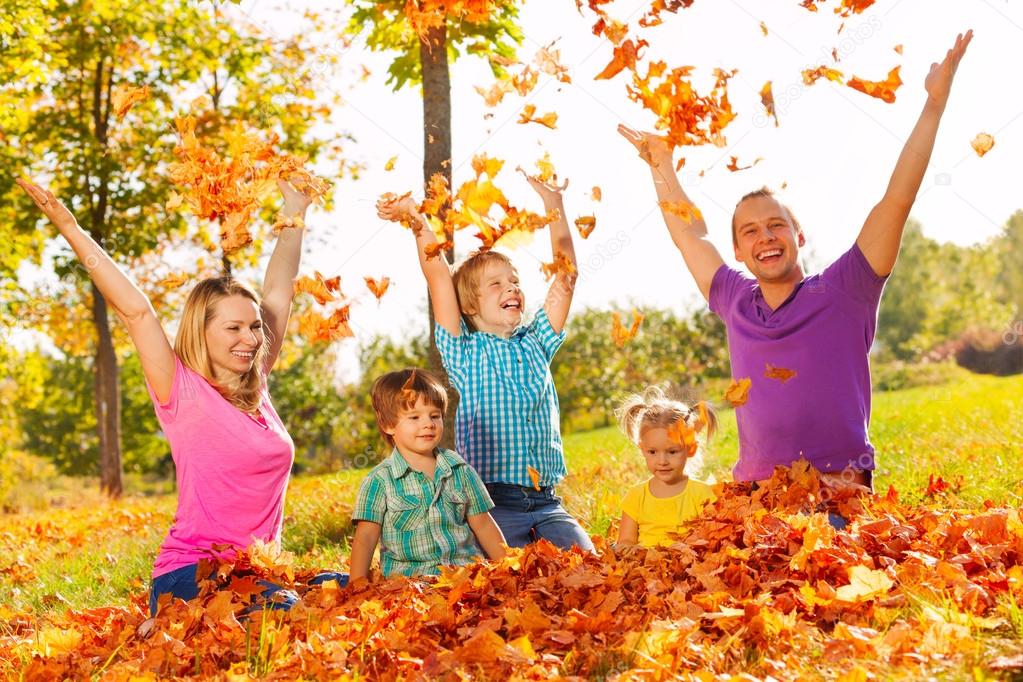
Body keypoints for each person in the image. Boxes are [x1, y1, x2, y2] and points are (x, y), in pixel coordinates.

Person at [618, 31, 973, 493]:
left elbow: (896, 200)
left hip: (836, 490)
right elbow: (691, 236)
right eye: (749, 232)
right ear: (740, 253)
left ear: (798, 235)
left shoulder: (848, 289)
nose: (765, 236)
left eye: (776, 225)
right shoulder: (734, 300)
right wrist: (660, 166)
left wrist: (933, 106)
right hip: (755, 495)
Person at [16, 176, 316, 615]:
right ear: (202, 330)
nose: (249, 338)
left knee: (345, 589)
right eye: (232, 328)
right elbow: (136, 310)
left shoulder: (257, 383)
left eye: (252, 327)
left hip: (257, 575)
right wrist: (70, 228)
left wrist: (296, 209)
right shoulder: (180, 390)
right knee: (294, 613)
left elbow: (277, 292)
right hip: (192, 574)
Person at [376, 173, 594, 552]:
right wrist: (416, 219)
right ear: (471, 306)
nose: (511, 288)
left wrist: (554, 204)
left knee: (584, 567)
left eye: (514, 281)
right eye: (496, 284)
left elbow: (566, 277)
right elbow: (439, 278)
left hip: (547, 502)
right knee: (500, 581)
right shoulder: (464, 350)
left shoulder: (537, 342)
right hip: (490, 506)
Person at [349, 369, 506, 579]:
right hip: (409, 585)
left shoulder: (460, 470)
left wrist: (508, 569)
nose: (428, 424)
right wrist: (357, 584)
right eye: (414, 417)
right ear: (388, 425)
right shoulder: (380, 481)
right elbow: (366, 538)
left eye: (435, 416)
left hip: (464, 578)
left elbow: (484, 525)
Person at [615, 386, 717, 547]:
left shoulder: (703, 495)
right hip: (645, 568)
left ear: (690, 448)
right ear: (643, 449)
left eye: (672, 451)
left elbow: (711, 541)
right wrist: (629, 550)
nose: (662, 461)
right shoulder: (636, 496)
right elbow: (625, 541)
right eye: (653, 452)